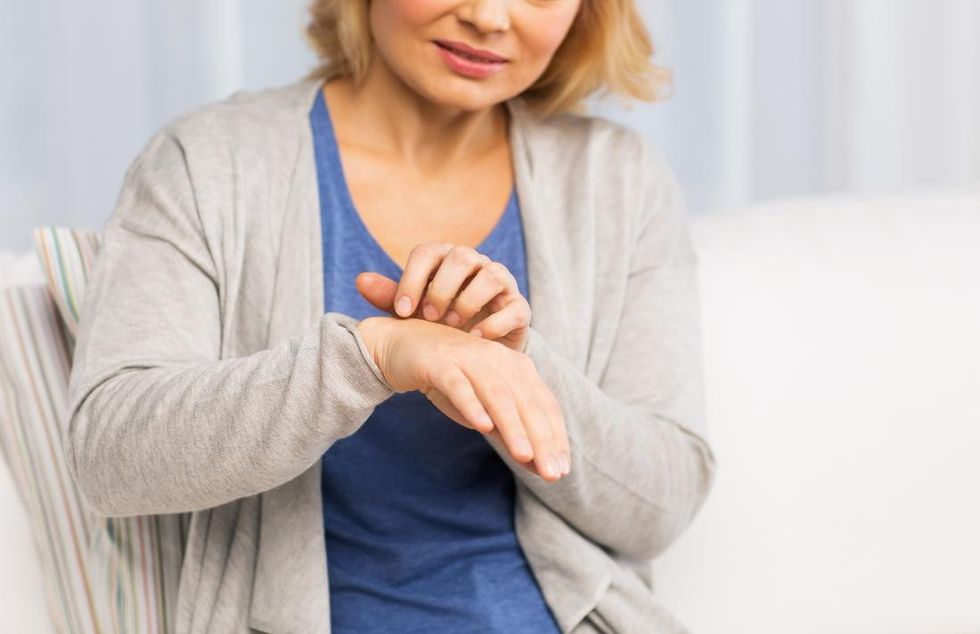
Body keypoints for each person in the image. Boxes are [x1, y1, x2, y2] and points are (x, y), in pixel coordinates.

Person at [65, 1, 718, 632]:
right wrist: (368, 360)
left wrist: (511, 367)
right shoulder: (209, 162)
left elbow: (659, 506)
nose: (491, 17)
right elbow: (109, 457)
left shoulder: (618, 179)